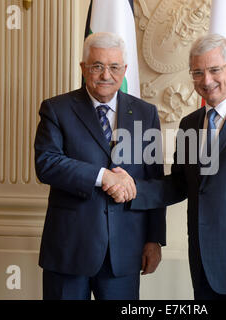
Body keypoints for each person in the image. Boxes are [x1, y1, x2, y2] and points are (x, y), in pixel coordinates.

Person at [104, 33, 226, 300]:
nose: (207, 80)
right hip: (204, 266)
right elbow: (180, 184)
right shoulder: (190, 124)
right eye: (197, 72)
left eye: (215, 70)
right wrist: (133, 188)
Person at [34, 32, 166, 300]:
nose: (106, 74)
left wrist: (154, 239)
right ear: (84, 69)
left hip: (125, 251)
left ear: (124, 70)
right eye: (97, 66)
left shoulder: (145, 113)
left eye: (114, 67)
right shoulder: (56, 109)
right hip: (69, 250)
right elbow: (46, 163)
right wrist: (102, 176)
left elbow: (155, 180)